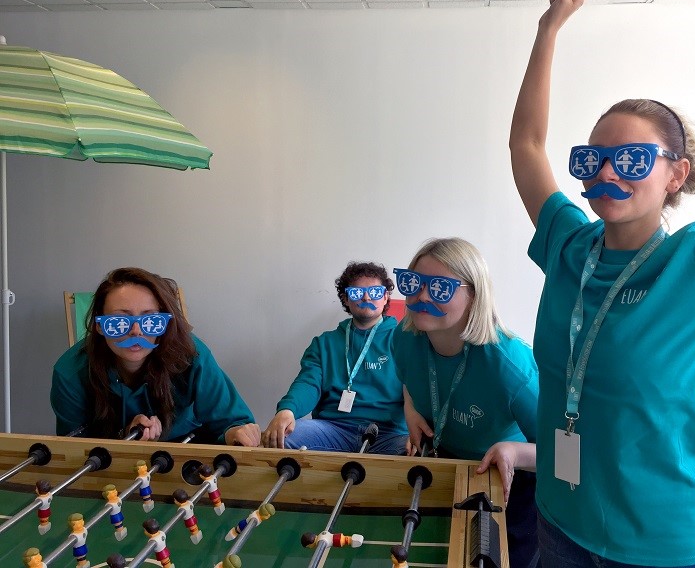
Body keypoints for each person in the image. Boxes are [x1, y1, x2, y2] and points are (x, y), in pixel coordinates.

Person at [508, 0, 695, 567]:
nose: (606, 174)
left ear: (676, 173)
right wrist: (549, 28)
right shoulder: (569, 244)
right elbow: (526, 146)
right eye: (593, 160)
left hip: (662, 544)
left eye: (633, 159)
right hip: (561, 523)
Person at [392, 237, 540, 568]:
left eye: (441, 288)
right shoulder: (403, 337)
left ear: (473, 296)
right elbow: (409, 379)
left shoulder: (510, 366)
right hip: (449, 466)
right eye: (413, 283)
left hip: (513, 480)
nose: (422, 297)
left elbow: (570, 454)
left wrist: (515, 452)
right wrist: (411, 408)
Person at [51, 267, 260, 446]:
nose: (136, 332)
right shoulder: (71, 373)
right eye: (120, 322)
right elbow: (76, 448)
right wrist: (123, 436)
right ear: (99, 326)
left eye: (150, 321)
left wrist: (235, 433)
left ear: (165, 325)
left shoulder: (190, 354)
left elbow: (231, 421)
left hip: (190, 457)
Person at [261, 262, 408, 454]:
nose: (366, 297)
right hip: (334, 429)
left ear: (386, 296)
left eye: (375, 291)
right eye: (356, 293)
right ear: (346, 299)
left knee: (419, 452)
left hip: (389, 433)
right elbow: (308, 383)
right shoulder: (324, 343)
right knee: (281, 438)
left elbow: (417, 391)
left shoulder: (404, 340)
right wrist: (287, 410)